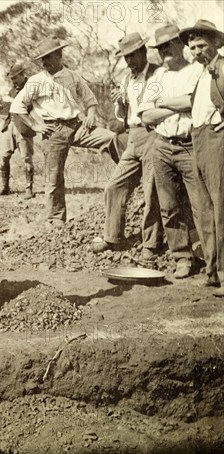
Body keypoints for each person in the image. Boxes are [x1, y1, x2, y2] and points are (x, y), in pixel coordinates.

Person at [10, 36, 120, 225]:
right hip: (53, 131)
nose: (44, 63)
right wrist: (35, 125)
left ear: (59, 56)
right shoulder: (36, 81)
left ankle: (130, 175)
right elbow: (17, 107)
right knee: (54, 179)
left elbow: (90, 100)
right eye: (42, 59)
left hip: (77, 126)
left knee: (112, 139)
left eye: (48, 58)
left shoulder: (73, 76)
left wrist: (91, 114)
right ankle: (56, 220)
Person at [91, 32, 164, 266]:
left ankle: (151, 244)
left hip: (154, 133)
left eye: (133, 56)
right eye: (126, 58)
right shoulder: (126, 80)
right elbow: (122, 117)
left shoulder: (159, 74)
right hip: (133, 135)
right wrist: (121, 102)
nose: (130, 62)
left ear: (143, 52)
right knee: (115, 185)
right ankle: (113, 237)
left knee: (151, 191)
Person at [137, 24, 204, 278]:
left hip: (190, 144)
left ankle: (212, 258)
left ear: (181, 44)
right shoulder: (158, 78)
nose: (164, 51)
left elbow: (193, 101)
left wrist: (162, 104)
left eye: (168, 45)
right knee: (169, 206)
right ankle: (182, 257)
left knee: (201, 205)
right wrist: (173, 105)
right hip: (163, 145)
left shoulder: (197, 71)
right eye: (159, 47)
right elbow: (146, 115)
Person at [179, 20, 224, 296]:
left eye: (202, 45)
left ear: (216, 44)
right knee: (204, 210)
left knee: (220, 206)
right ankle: (212, 271)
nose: (196, 51)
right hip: (198, 139)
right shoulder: (200, 73)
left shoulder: (222, 68)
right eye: (192, 47)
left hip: (215, 141)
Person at [0, 63, 35, 198]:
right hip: (9, 125)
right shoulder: (13, 89)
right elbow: (8, 110)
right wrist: (0, 106)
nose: (13, 82)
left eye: (15, 78)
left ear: (22, 75)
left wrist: (11, 100)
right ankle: (5, 187)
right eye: (11, 79)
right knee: (3, 158)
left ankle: (29, 189)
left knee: (27, 160)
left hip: (24, 127)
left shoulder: (31, 87)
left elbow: (29, 106)